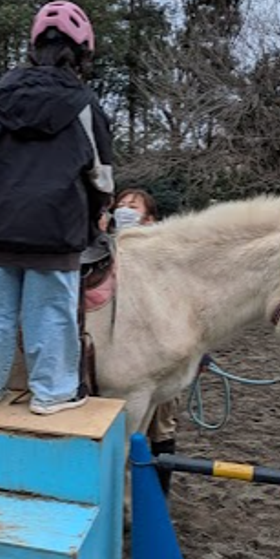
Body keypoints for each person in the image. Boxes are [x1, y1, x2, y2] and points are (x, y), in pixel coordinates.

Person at [0, 0, 114, 414]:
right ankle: (53, 392)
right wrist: (96, 213)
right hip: (57, 230)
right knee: (51, 313)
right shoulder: (83, 104)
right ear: (81, 53)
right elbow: (100, 173)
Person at [112, 187, 178, 493]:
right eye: (121, 205)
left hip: (166, 351)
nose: (125, 210)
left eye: (133, 206)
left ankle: (159, 492)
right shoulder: (107, 250)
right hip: (125, 355)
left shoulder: (166, 258)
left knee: (162, 423)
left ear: (150, 219)